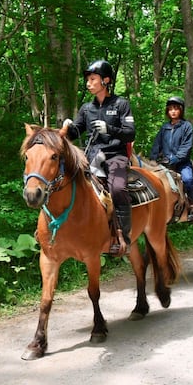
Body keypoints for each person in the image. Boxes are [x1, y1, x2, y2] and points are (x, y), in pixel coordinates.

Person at [64, 59, 135, 255]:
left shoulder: (122, 104)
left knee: (118, 189)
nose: (88, 83)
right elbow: (74, 133)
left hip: (115, 156)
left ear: (105, 80)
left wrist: (109, 129)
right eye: (87, 79)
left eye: (93, 79)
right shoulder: (87, 108)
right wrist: (68, 127)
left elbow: (130, 133)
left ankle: (124, 238)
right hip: (91, 157)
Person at [149, 96, 193, 221]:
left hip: (182, 163)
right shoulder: (164, 128)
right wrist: (153, 159)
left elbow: (186, 147)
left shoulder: (187, 126)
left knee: (188, 179)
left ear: (181, 111)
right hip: (164, 163)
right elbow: (157, 145)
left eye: (176, 109)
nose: (173, 111)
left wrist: (174, 159)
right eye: (170, 109)